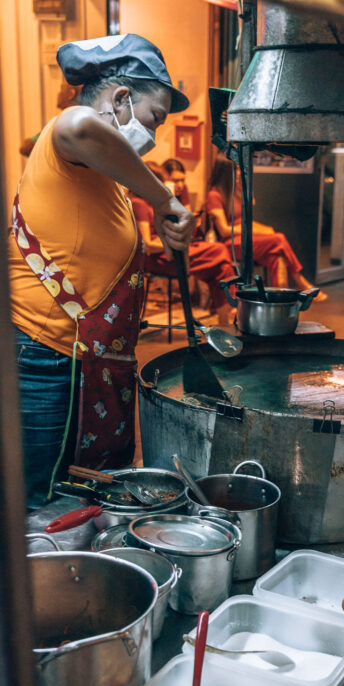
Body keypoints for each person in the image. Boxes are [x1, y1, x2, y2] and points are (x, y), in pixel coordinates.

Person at [9, 33, 195, 509]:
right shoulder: (67, 135)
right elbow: (78, 125)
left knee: (79, 498)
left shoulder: (106, 179)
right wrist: (163, 198)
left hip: (84, 362)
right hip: (47, 357)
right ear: (120, 98)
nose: (153, 137)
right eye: (154, 117)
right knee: (42, 503)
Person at [205, 154, 326, 298]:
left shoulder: (234, 189)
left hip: (244, 238)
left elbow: (251, 204)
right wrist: (255, 230)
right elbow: (224, 231)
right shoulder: (214, 195)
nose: (239, 172)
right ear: (226, 171)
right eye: (236, 169)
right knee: (278, 238)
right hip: (230, 244)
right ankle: (299, 280)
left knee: (277, 257)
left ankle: (280, 298)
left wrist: (243, 185)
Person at [130, 161, 236, 324]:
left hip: (171, 251)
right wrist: (180, 241)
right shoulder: (140, 204)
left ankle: (224, 320)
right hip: (161, 257)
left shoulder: (151, 203)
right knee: (219, 249)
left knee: (223, 269)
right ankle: (228, 315)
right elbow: (148, 246)